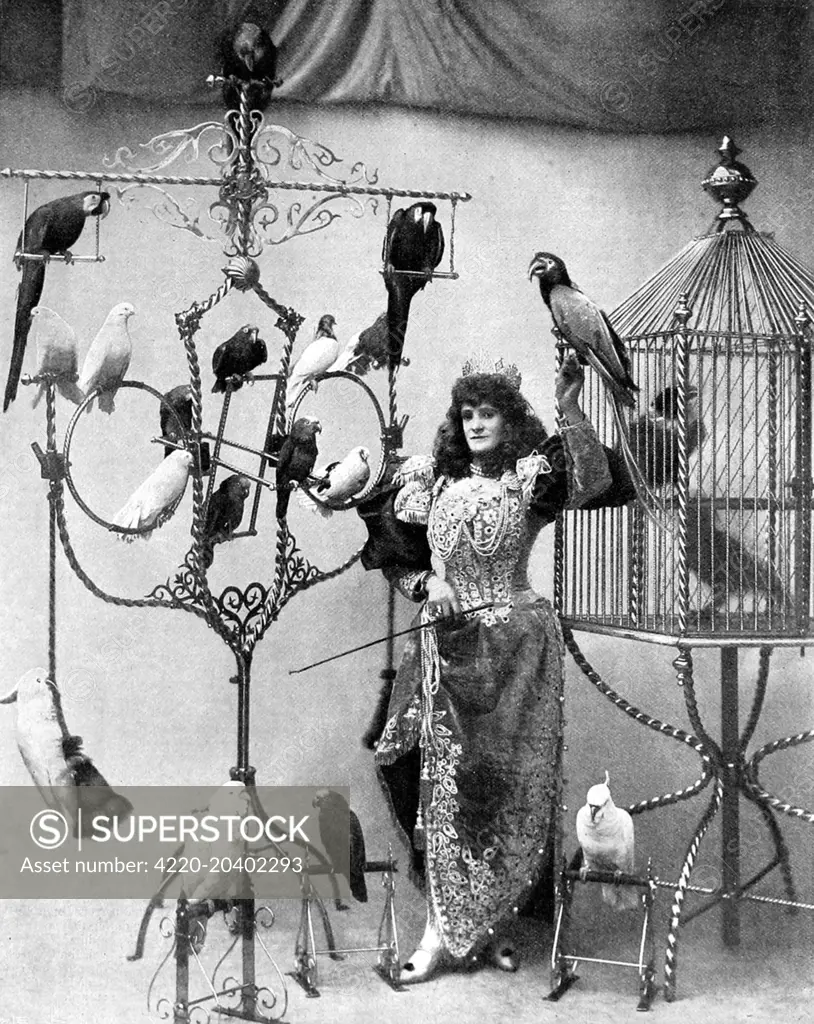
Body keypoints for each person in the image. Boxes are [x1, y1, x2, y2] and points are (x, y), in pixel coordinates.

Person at [357, 350, 617, 983]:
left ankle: (491, 925)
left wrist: (571, 405)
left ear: (510, 420)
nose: (476, 424)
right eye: (467, 413)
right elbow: (392, 553)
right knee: (436, 789)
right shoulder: (430, 481)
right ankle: (439, 930)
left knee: (501, 792)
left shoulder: (530, 476)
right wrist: (428, 586)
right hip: (448, 648)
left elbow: (596, 479)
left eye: (489, 413)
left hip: (517, 654)